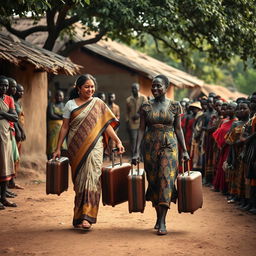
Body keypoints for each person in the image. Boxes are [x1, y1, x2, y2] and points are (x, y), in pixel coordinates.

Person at [52, 74, 125, 230]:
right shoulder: (70, 105)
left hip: (95, 147)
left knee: (93, 178)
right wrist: (58, 148)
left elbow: (106, 125)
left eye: (92, 87)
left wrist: (118, 141)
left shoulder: (98, 103)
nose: (90, 89)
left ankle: (88, 217)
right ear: (78, 88)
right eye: (87, 87)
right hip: (75, 148)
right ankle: (78, 215)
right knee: (79, 182)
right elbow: (65, 127)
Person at [132, 75, 189, 235]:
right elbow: (141, 129)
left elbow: (178, 129)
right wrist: (136, 151)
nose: (155, 89)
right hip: (150, 147)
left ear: (166, 87)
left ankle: (163, 221)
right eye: (153, 86)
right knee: (155, 181)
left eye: (159, 86)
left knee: (166, 179)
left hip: (169, 146)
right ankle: (158, 217)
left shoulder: (175, 106)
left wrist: (184, 150)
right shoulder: (145, 106)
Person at [0, 76, 18, 209]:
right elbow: (11, 115)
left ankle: (3, 198)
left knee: (6, 164)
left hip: (5, 135)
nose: (4, 88)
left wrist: (2, 113)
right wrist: (8, 114)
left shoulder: (9, 99)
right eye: (2, 85)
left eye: (6, 85)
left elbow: (15, 117)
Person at [126, 82, 147, 156]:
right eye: (133, 88)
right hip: (132, 123)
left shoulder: (143, 98)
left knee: (142, 140)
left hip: (142, 122)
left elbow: (146, 109)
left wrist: (139, 115)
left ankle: (141, 156)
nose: (134, 89)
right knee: (133, 140)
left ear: (139, 89)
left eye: (136, 88)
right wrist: (127, 121)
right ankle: (134, 156)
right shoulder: (128, 100)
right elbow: (127, 112)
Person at [46, 90, 67, 159]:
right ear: (55, 96)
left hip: (62, 129)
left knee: (62, 145)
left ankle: (60, 162)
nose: (59, 97)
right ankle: (51, 159)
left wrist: (58, 115)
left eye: (60, 96)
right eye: (57, 95)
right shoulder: (51, 105)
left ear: (63, 97)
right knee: (52, 145)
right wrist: (61, 116)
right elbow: (51, 115)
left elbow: (67, 116)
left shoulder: (65, 106)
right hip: (53, 129)